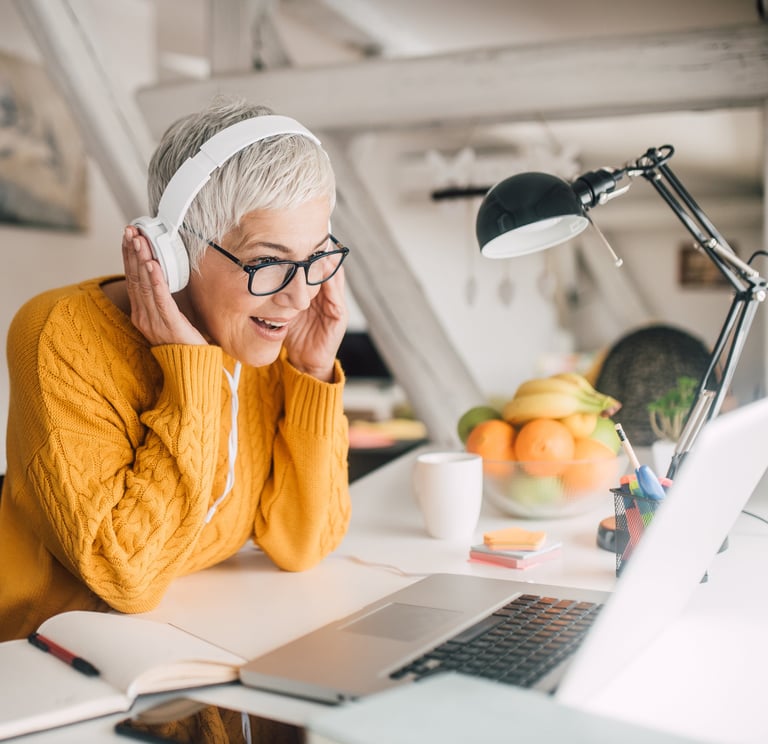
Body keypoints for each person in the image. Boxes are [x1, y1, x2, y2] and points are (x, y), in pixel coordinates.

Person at [0, 98, 352, 641]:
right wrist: (190, 374)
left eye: (315, 256)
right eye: (268, 262)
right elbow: (126, 578)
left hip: (200, 638)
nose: (301, 296)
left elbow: (302, 544)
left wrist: (311, 372)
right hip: (55, 661)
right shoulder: (58, 333)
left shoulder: (269, 335)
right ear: (175, 255)